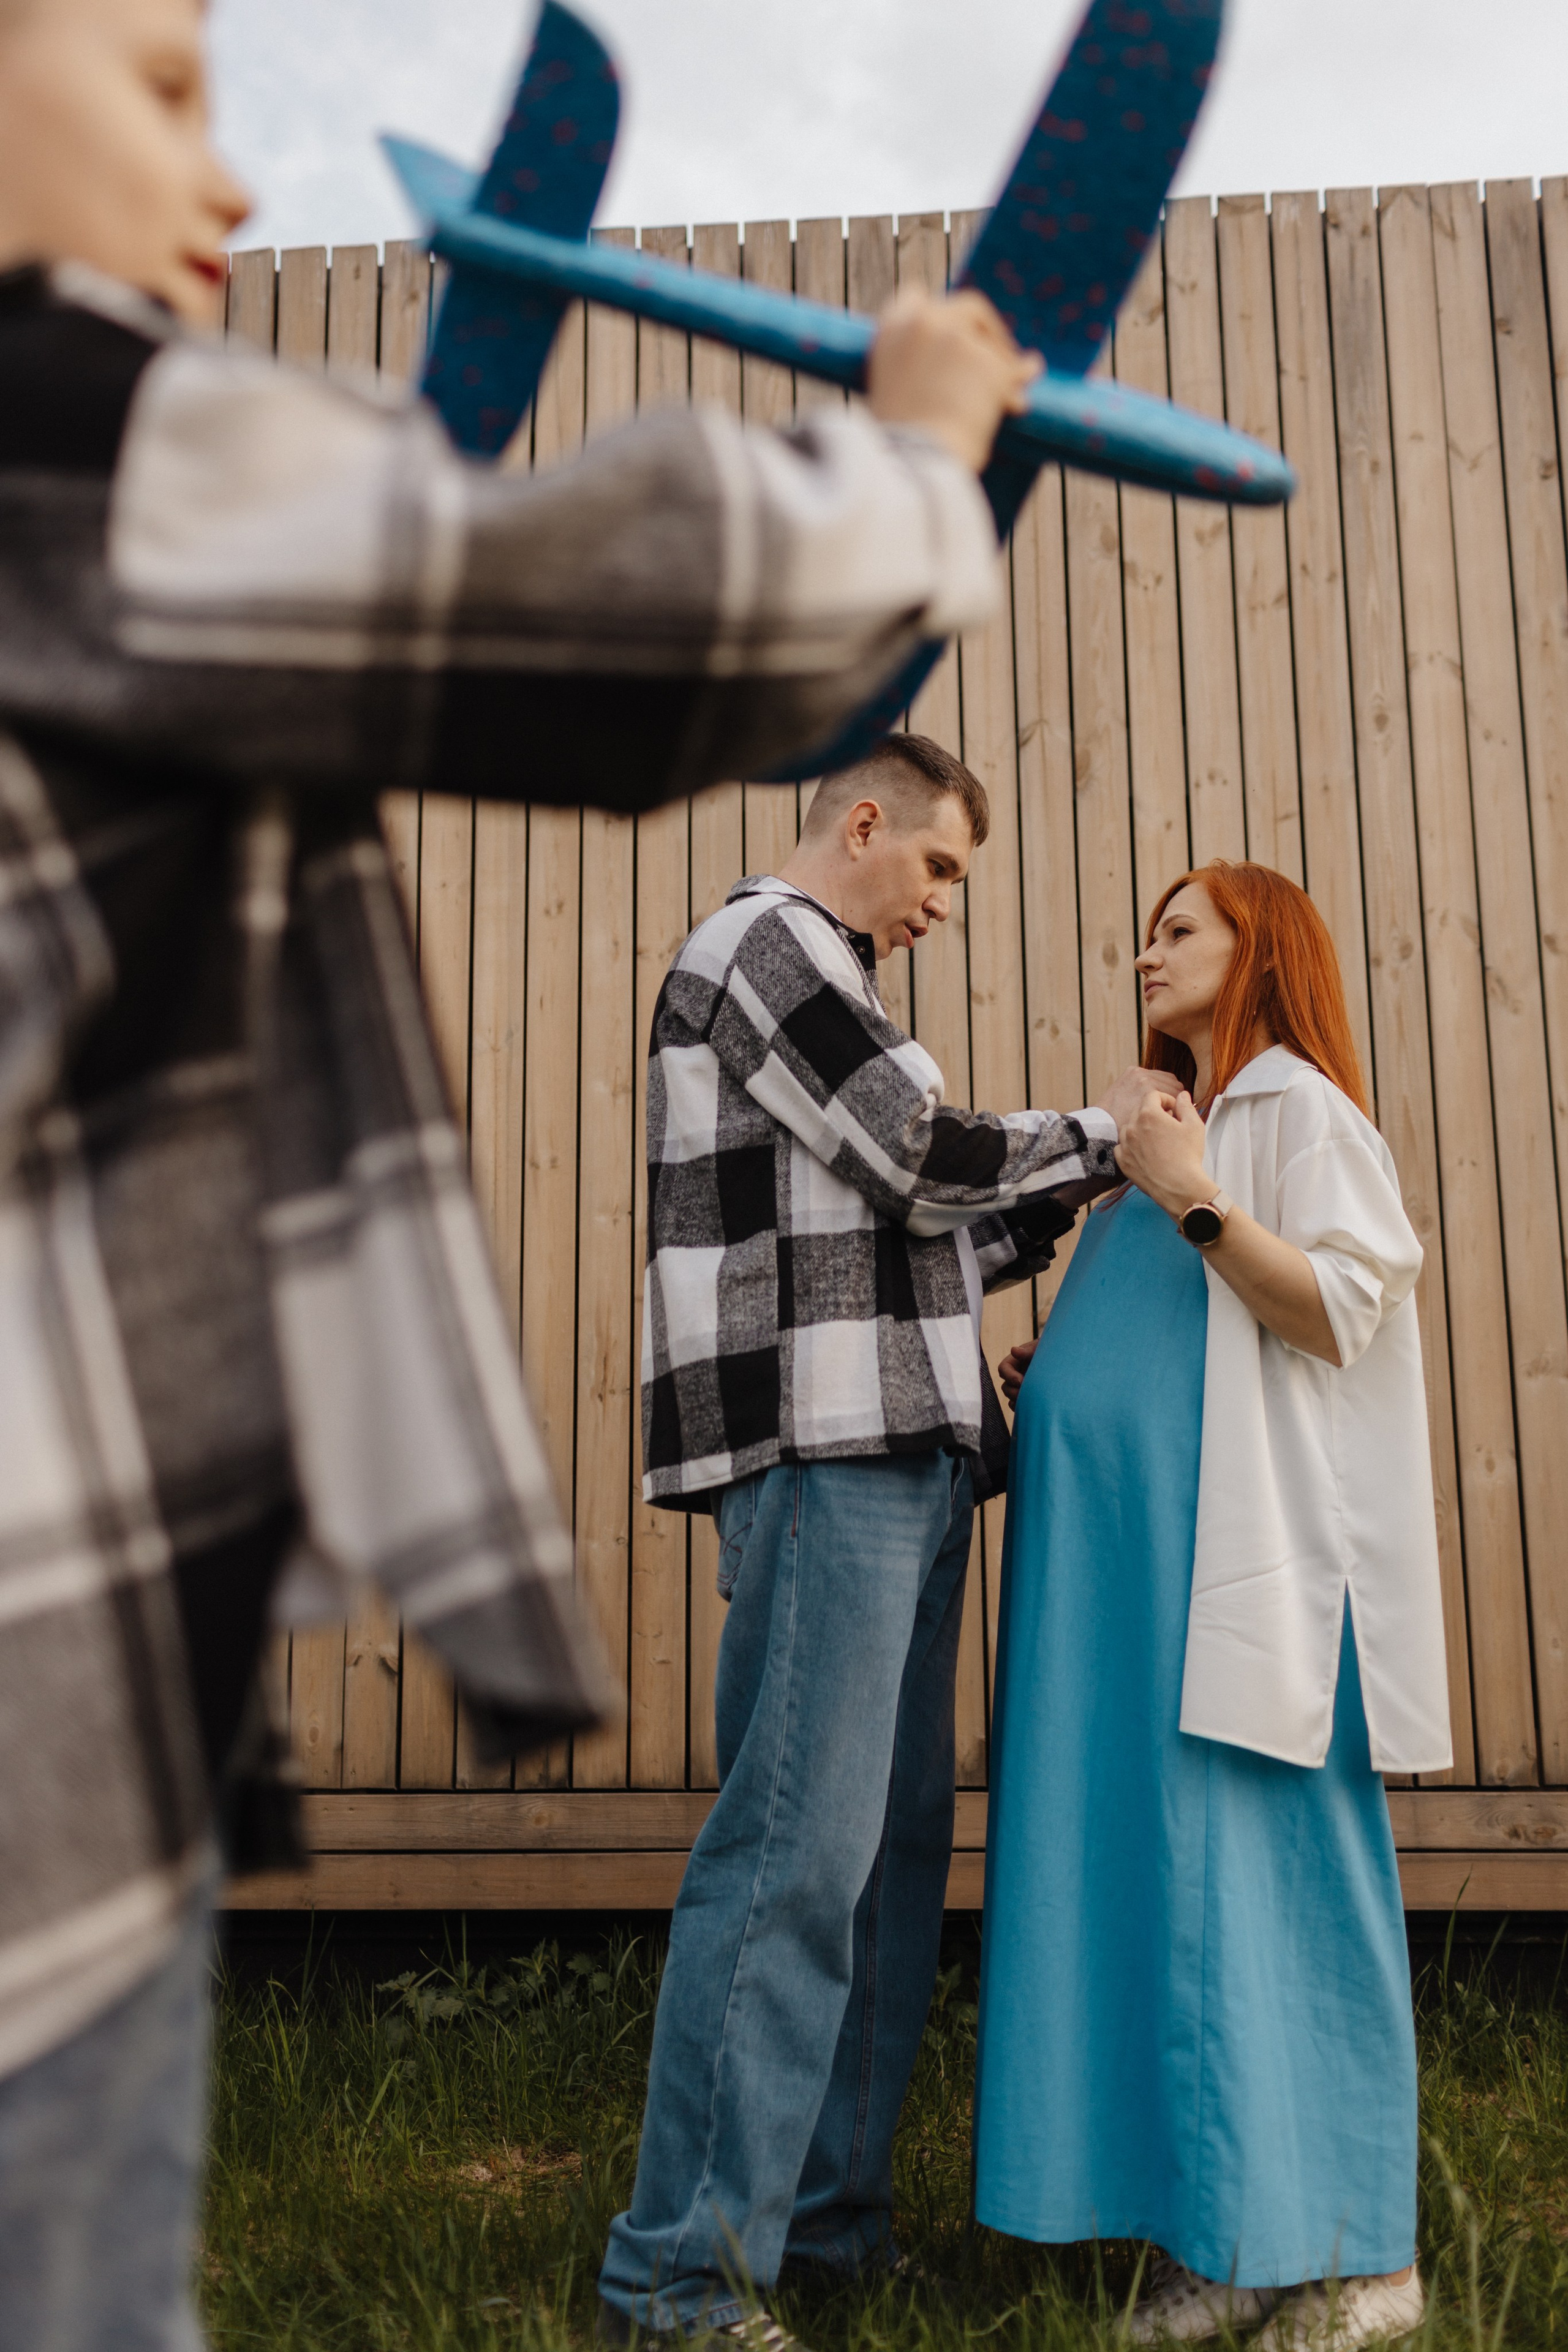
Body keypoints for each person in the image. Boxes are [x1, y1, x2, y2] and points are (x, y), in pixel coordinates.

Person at [0, 0, 1045, 2342]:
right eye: (162, 85)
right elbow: (614, 621)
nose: (232, 175)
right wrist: (915, 459)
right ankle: (694, 2273)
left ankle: (804, 2239)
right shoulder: (62, 426)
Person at [599, 732, 1177, 2350]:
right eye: (939, 866)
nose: (943, 903)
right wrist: (1108, 1132)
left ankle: (827, 2236)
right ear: (864, 822)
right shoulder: (764, 946)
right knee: (793, 1867)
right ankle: (677, 2286)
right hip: (826, 1458)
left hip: (905, 1459)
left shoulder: (837, 989)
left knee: (881, 1870)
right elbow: (924, 1162)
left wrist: (1068, 1199)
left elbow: (922, 1240)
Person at [974, 861, 1452, 2352]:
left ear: (1262, 951)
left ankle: (1364, 2259)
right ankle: (1228, 2240)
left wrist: (1188, 1200)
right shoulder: (1162, 1137)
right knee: (1160, 1889)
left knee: (1280, 1884)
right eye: (1144, 931)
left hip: (1236, 1581)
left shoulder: (1292, 1111)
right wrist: (1062, 1376)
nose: (1145, 952)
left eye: (1179, 929)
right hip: (1114, 1593)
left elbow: (1343, 1302)